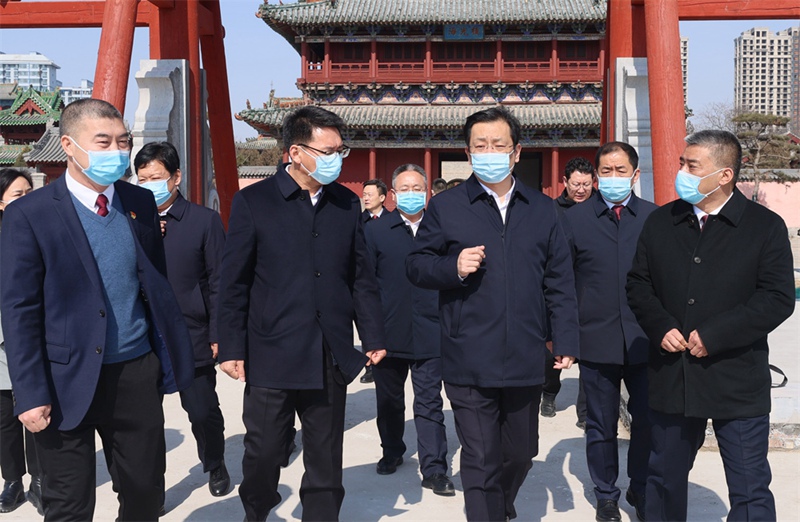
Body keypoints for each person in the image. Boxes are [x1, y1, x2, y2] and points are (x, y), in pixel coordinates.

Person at [0, 98, 194, 521]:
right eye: (103, 142)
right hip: (63, 378)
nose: (117, 152)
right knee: (69, 505)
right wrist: (29, 392)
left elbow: (153, 283)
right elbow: (19, 310)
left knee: (145, 494)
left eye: (123, 142)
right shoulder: (29, 215)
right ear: (69, 146)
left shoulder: (139, 201)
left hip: (134, 372)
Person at [406, 106, 579, 521]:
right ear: (468, 153)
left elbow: (559, 280)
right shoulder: (446, 206)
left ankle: (498, 508)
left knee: (521, 453)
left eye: (498, 144)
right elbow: (416, 265)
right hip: (468, 353)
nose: (489, 152)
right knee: (480, 458)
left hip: (525, 352)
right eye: (480, 145)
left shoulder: (542, 209)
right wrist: (452, 266)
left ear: (516, 152)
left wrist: (566, 338)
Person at [217, 105, 386, 522]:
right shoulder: (254, 202)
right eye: (328, 151)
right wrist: (231, 347)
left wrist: (374, 335)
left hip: (329, 352)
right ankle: (256, 511)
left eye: (340, 150)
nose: (336, 159)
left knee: (326, 457)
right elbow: (233, 281)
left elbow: (360, 277)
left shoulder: (346, 204)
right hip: (272, 351)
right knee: (264, 452)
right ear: (296, 152)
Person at [627, 130, 795, 521]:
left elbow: (776, 298)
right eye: (682, 163)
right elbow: (638, 284)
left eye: (692, 166)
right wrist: (660, 326)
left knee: (750, 487)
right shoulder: (661, 222)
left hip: (736, 378)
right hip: (673, 374)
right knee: (663, 478)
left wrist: (716, 335)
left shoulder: (764, 227)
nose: (681, 172)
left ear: (724, 175)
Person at [561, 143, 656, 522]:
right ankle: (606, 494)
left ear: (635, 175)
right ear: (596, 176)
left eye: (621, 171)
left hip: (645, 338)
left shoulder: (654, 218)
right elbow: (561, 283)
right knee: (600, 425)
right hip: (595, 339)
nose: (613, 177)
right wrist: (564, 338)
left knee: (647, 420)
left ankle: (641, 487)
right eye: (606, 171)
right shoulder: (573, 220)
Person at [133, 142, 230, 498]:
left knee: (202, 410)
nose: (149, 185)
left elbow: (220, 282)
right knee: (145, 422)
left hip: (192, 334)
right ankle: (153, 488)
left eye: (156, 177)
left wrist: (219, 333)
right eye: (142, 179)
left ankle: (214, 462)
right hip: (143, 337)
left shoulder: (204, 221)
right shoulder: (128, 222)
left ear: (176, 177)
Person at [364, 163, 454, 496]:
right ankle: (392, 450)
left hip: (432, 330)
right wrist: (370, 334)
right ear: (392, 193)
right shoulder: (375, 231)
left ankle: (434, 467)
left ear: (427, 191)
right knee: (389, 401)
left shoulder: (441, 231)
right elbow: (365, 286)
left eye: (417, 188)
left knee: (429, 402)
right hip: (389, 333)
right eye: (405, 189)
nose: (411, 194)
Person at [0, 168, 41, 515]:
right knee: (4, 418)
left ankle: (41, 480)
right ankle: (12, 481)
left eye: (29, 192)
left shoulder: (43, 230)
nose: (26, 200)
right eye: (17, 195)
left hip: (34, 335)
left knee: (37, 409)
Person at [542, 156, 594, 426]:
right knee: (554, 350)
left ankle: (585, 414)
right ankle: (549, 392)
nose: (581, 190)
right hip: (559, 288)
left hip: (588, 291)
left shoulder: (598, 209)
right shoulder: (552, 211)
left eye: (586, 184)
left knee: (590, 355)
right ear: (565, 182)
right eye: (576, 184)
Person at [359, 178, 388, 384]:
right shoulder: (358, 221)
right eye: (364, 194)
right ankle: (369, 365)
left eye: (370, 194)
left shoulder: (392, 221)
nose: (366, 198)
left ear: (383, 197)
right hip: (365, 280)